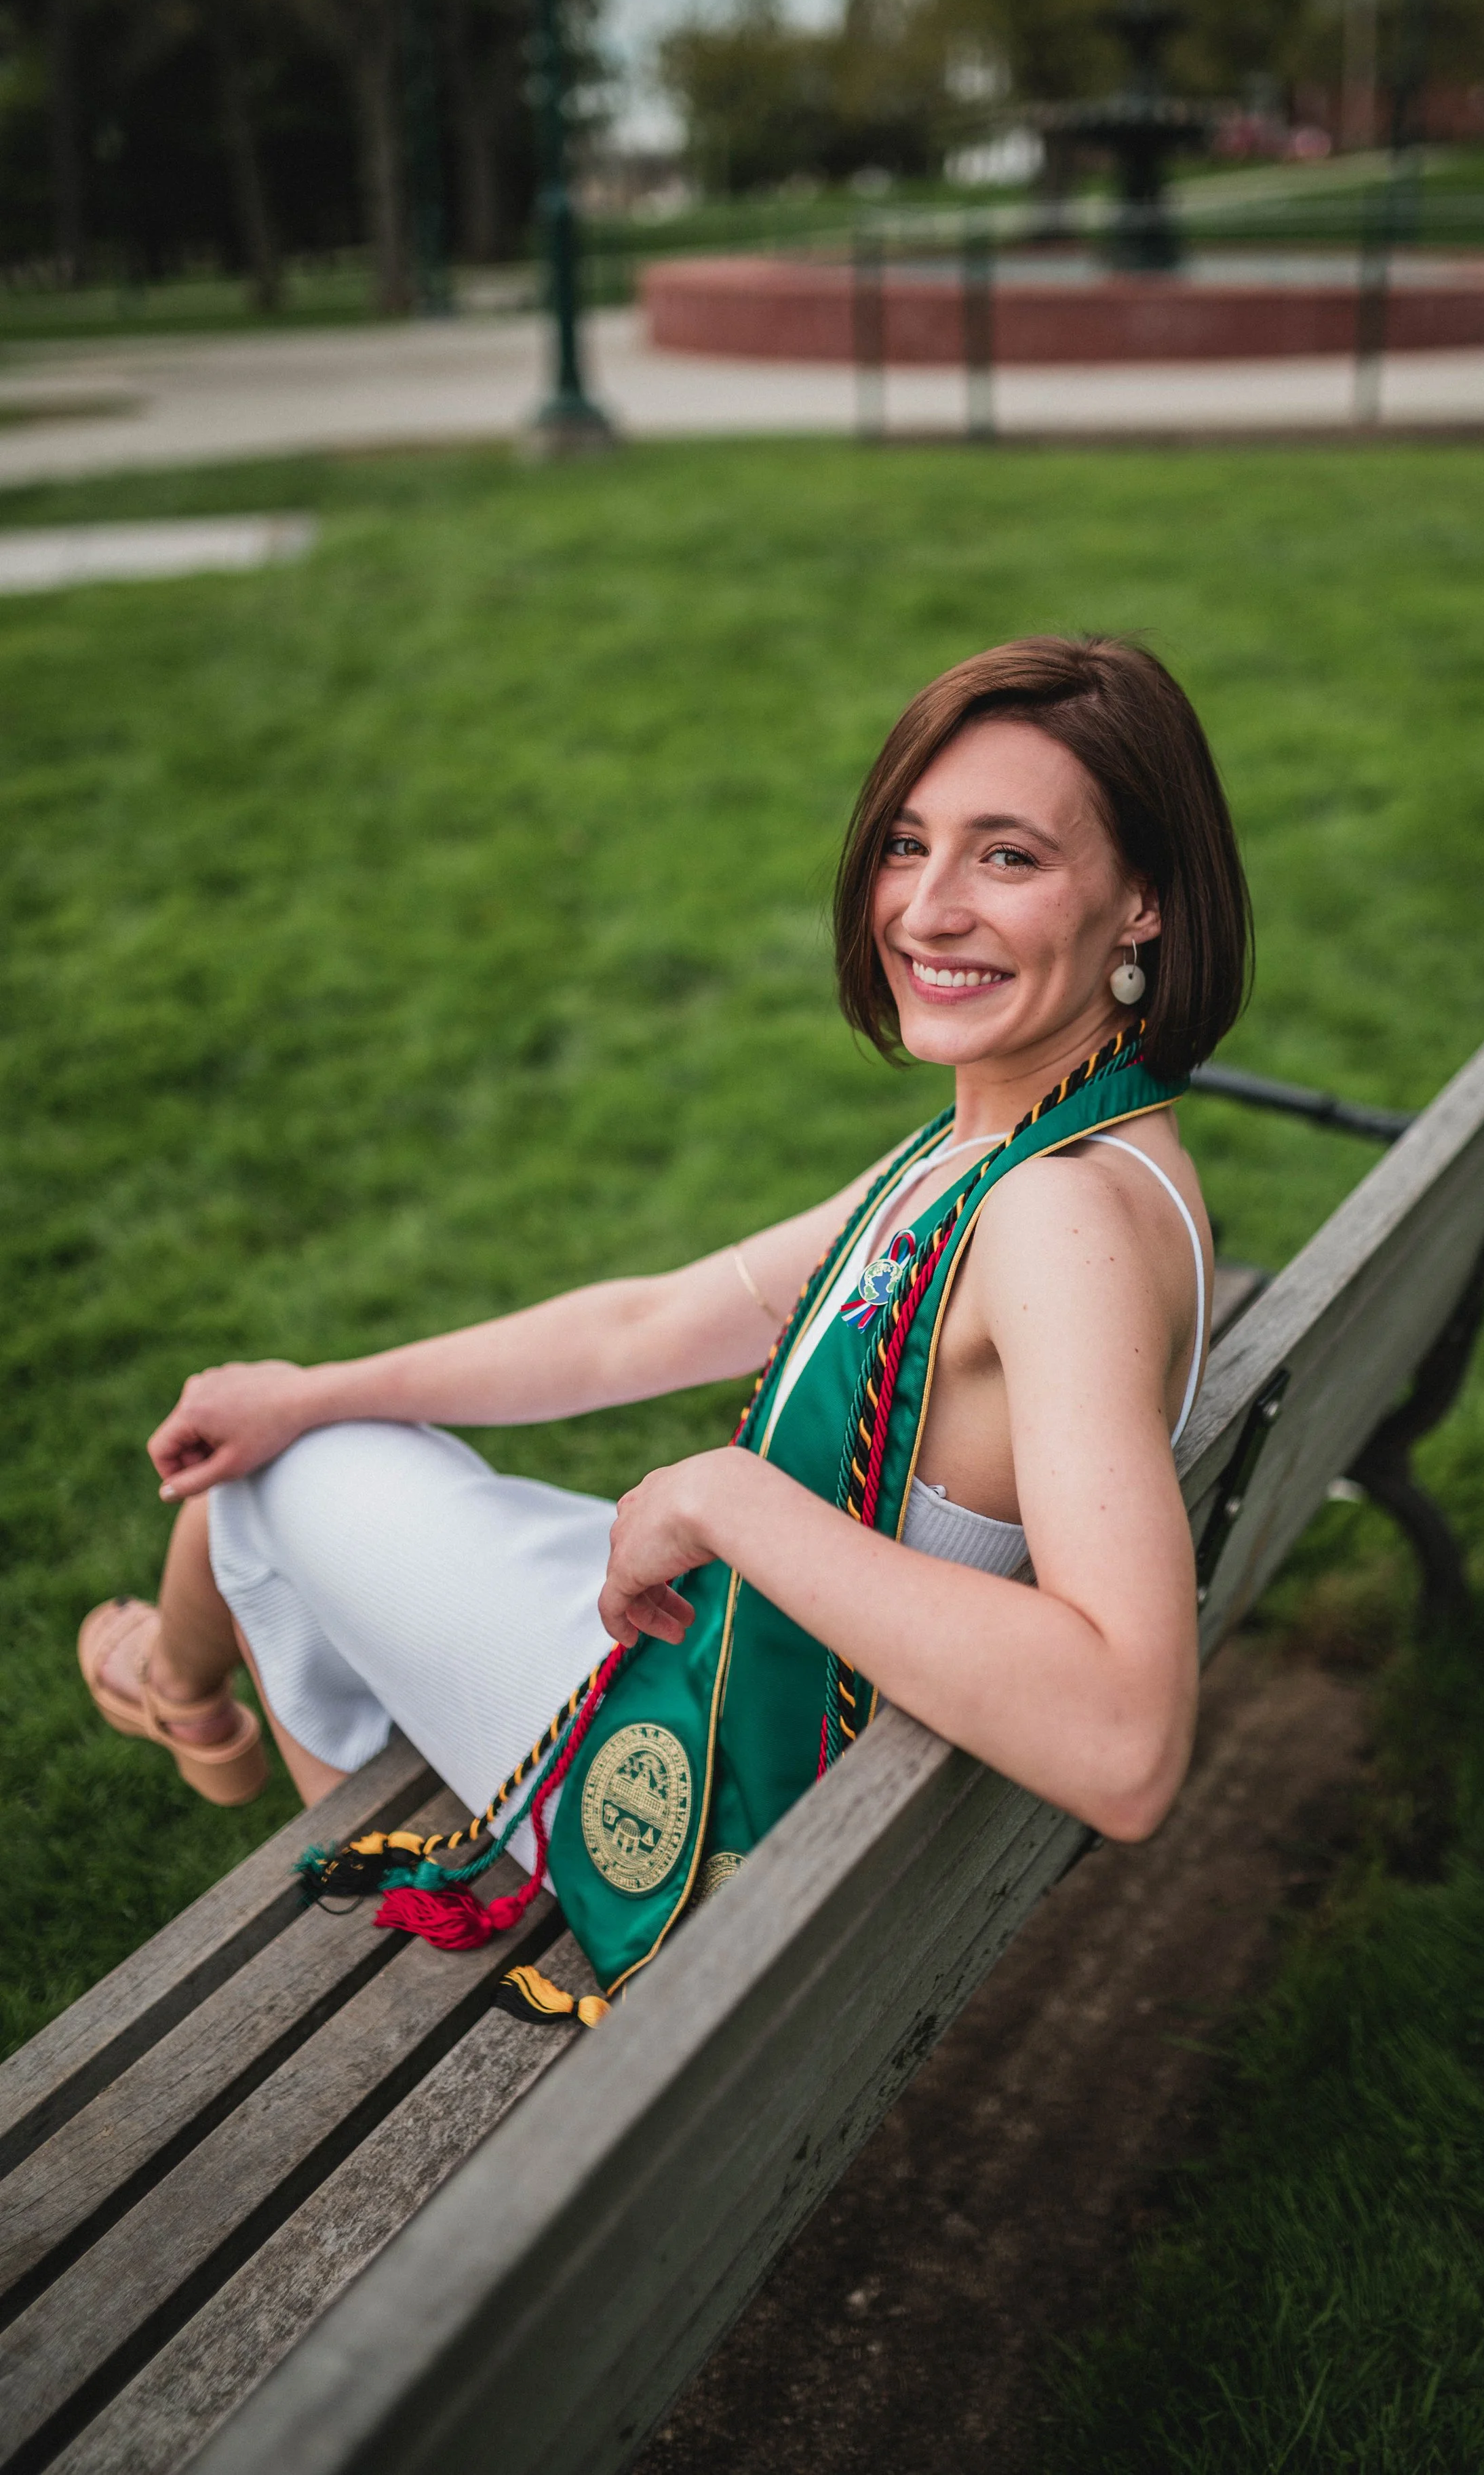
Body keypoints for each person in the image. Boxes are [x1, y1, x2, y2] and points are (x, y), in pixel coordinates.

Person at [79, 635, 1251, 1999]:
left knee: (268, 1492)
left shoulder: (1051, 1220)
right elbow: (645, 1328)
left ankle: (210, 1720)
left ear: (1141, 904)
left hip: (740, 1789)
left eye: (1006, 857)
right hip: (795, 1699)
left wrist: (723, 1501)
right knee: (293, 1440)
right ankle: (189, 1693)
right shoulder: (1024, 1148)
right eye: (904, 845)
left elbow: (1122, 1743)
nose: (924, 910)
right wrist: (319, 1380)